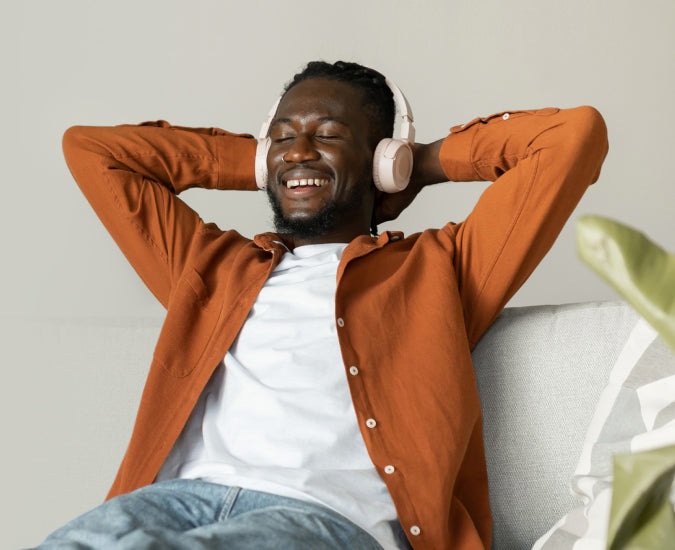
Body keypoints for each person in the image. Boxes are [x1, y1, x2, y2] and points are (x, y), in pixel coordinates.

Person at [35, 60, 608, 550]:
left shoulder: (441, 268)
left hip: (326, 519)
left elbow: (570, 137)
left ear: (383, 157)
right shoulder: (210, 267)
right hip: (171, 503)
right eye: (282, 137)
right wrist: (262, 163)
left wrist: (421, 163)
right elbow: (93, 150)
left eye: (328, 135)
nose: (299, 152)